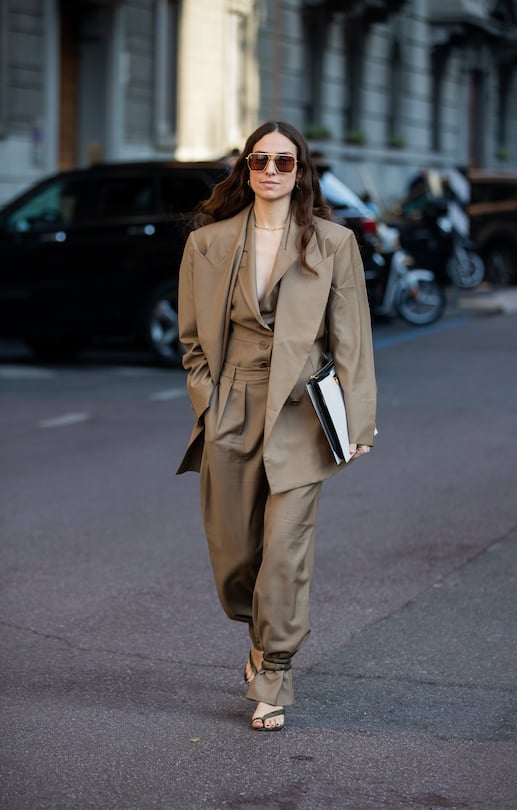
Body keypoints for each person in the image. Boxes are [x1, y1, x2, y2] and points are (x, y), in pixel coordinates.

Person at [176, 121, 377, 731]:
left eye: (283, 163)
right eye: (259, 160)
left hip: (301, 410)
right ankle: (258, 636)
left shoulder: (333, 243)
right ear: (245, 169)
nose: (269, 171)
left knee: (286, 549)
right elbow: (191, 343)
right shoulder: (207, 244)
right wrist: (208, 402)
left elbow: (353, 343)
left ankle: (275, 673)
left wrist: (357, 421)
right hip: (232, 403)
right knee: (236, 554)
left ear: (300, 172)